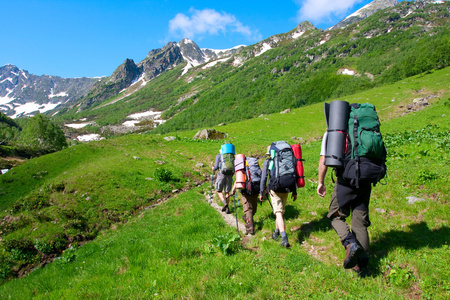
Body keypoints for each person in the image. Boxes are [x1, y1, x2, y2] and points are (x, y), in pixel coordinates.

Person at [317, 132, 371, 277]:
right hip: (366, 177)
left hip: (345, 180)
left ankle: (349, 243)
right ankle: (362, 265)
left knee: (335, 216)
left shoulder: (334, 130)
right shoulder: (363, 127)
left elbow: (324, 159)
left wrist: (321, 182)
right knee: (360, 223)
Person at [260, 146, 297, 248]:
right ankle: (276, 233)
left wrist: (261, 192)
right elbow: (294, 174)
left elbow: (264, 178)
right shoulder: (286, 160)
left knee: (278, 213)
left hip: (275, 189)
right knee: (280, 211)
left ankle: (284, 238)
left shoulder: (268, 162)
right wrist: (294, 191)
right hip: (286, 188)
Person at [230, 157, 262, 235]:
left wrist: (233, 189)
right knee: (253, 208)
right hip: (256, 187)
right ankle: (248, 220)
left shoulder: (242, 165)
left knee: (248, 209)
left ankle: (250, 227)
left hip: (246, 189)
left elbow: (239, 179)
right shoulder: (255, 164)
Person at [212, 149, 233, 214]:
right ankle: (227, 208)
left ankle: (224, 203)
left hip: (221, 174)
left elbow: (216, 167)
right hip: (229, 175)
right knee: (227, 192)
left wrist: (213, 168)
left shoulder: (219, 156)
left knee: (219, 190)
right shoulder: (231, 157)